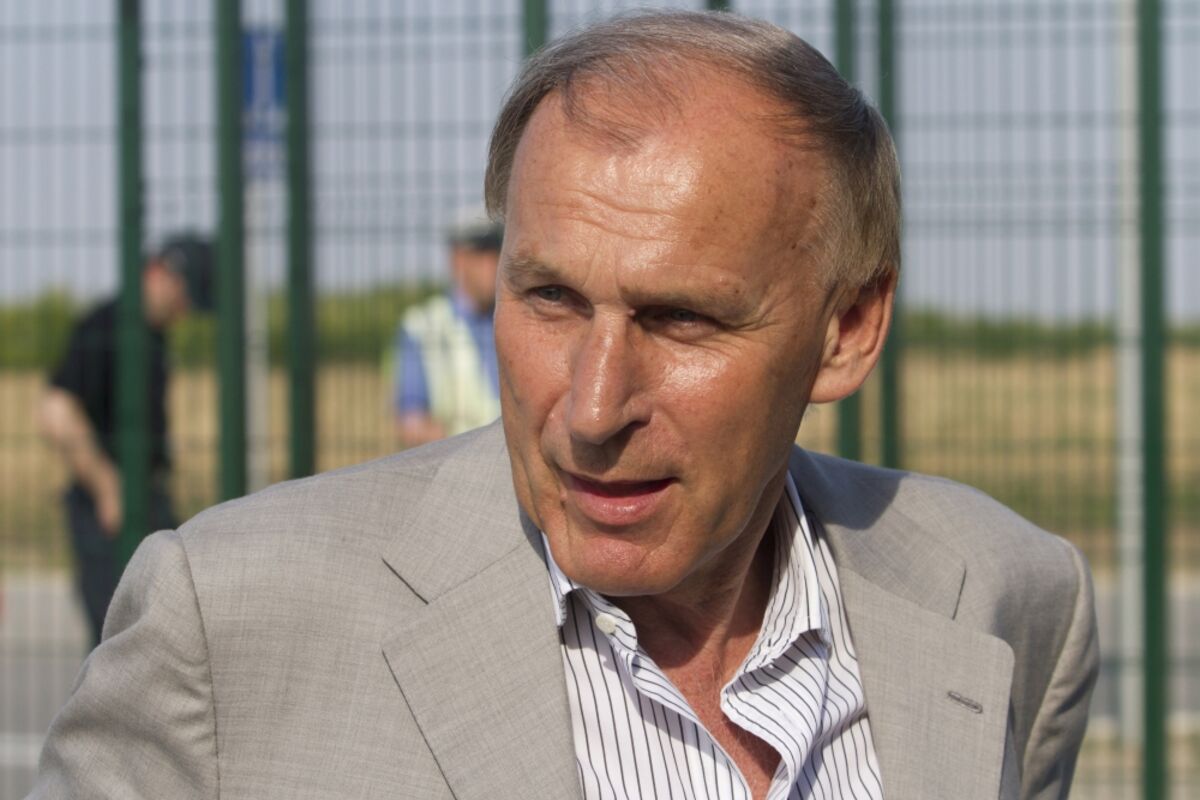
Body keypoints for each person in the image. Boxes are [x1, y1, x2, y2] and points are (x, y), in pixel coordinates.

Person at [30, 12, 1097, 799]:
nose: (590, 408)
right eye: (548, 298)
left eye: (680, 319)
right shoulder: (229, 626)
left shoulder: (1003, 599)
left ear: (848, 329)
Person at [36, 235, 213, 646]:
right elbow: (55, 409)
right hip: (106, 512)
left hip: (145, 502)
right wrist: (107, 486)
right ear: (164, 275)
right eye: (186, 297)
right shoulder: (106, 325)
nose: (185, 312)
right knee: (117, 641)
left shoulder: (152, 336)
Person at [391, 209, 503, 447]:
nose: (492, 264)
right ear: (458, 259)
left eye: (497, 252)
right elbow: (411, 418)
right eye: (481, 253)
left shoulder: (514, 320)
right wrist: (427, 433)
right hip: (455, 459)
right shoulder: (421, 325)